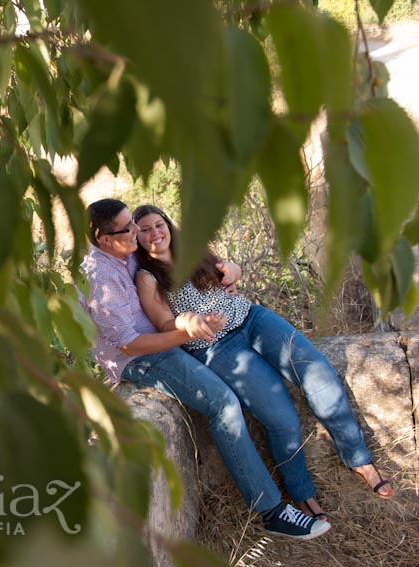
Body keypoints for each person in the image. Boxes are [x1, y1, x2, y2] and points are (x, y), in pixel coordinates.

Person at [79, 198, 330, 540]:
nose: (138, 231)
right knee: (223, 404)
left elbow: (179, 259)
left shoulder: (126, 248)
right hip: (139, 359)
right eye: (129, 227)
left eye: (134, 223)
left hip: (164, 340)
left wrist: (231, 273)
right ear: (104, 239)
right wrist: (186, 333)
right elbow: (129, 344)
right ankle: (269, 510)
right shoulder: (102, 278)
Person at [131, 203, 394, 521]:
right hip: (217, 348)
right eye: (144, 229)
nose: (154, 233)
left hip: (252, 319)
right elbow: (163, 324)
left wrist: (235, 270)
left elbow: (229, 270)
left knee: (317, 372)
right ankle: (302, 492)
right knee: (282, 419)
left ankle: (358, 458)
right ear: (137, 235)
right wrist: (188, 321)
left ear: (168, 225)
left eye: (158, 224)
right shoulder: (147, 277)